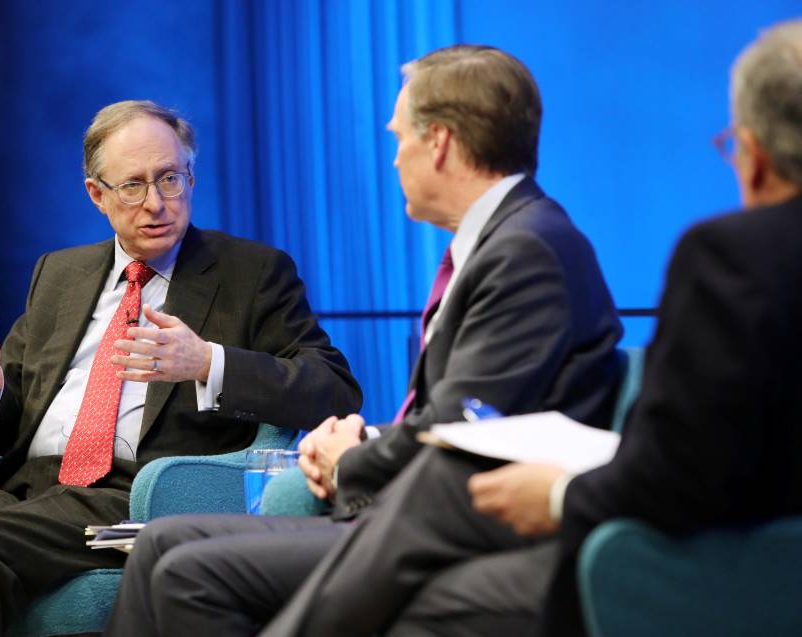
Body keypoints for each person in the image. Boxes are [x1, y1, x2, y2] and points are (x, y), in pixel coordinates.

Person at [259, 18, 802, 637]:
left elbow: (682, 469)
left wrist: (556, 495)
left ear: (755, 157)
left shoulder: (729, 255)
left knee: (422, 553)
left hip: (712, 564)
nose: (392, 157)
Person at [104, 45, 623, 637]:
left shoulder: (528, 249)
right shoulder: (501, 242)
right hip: (420, 505)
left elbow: (468, 427)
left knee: (188, 573)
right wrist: (364, 437)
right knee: (162, 542)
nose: (396, 157)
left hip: (463, 527)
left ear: (441, 143)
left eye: (400, 137)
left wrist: (353, 457)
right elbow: (460, 413)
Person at [0, 100, 362, 637]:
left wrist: (207, 362)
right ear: (97, 194)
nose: (157, 203)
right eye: (133, 186)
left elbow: (334, 388)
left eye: (171, 179)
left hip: (131, 494)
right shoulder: (60, 273)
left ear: (191, 177)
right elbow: (8, 418)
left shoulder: (252, 272)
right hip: (28, 489)